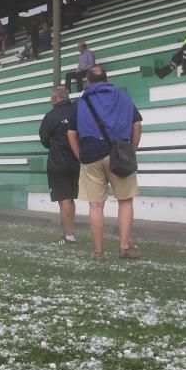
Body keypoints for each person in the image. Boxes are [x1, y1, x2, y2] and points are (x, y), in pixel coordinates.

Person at [67, 66, 142, 260]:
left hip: (90, 154)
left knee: (96, 205)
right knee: (125, 201)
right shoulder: (123, 96)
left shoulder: (81, 101)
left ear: (88, 82)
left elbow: (71, 133)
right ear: (106, 80)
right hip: (119, 152)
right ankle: (124, 247)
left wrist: (80, 156)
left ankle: (98, 252)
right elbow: (137, 124)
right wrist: (131, 151)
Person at [39, 85, 80, 246]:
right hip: (76, 161)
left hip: (58, 162)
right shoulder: (77, 111)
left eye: (51, 97)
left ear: (56, 98)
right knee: (70, 198)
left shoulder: (50, 116)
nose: (50, 100)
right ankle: (70, 234)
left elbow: (44, 139)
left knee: (64, 199)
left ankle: (69, 237)